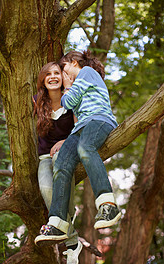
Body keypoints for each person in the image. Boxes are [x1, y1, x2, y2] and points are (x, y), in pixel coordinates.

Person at [35, 50, 121, 244]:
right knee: (61, 164)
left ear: (73, 63)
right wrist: (69, 88)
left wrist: (67, 86)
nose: (64, 74)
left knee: (85, 149)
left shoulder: (86, 72)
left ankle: (108, 205)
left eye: (63, 68)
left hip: (99, 120)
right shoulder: (77, 83)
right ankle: (57, 222)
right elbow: (70, 104)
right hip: (81, 128)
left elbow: (68, 101)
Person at [33, 62, 82, 264]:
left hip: (68, 151)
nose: (53, 77)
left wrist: (65, 142)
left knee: (58, 160)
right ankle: (72, 239)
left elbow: (81, 126)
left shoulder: (70, 99)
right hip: (44, 156)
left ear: (62, 77)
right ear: (43, 80)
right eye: (48, 74)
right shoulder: (37, 101)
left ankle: (66, 235)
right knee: (45, 188)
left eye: (57, 73)